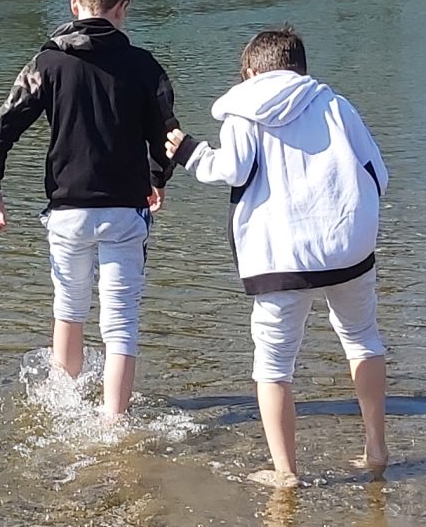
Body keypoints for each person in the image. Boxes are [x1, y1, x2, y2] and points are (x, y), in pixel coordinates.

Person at [165, 27, 390, 488]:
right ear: (301, 68)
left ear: (250, 72)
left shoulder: (243, 112)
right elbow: (377, 173)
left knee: (273, 365)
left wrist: (189, 152)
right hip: (348, 248)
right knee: (362, 339)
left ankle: (286, 472)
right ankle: (375, 448)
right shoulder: (336, 105)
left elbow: (232, 168)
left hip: (279, 258)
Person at [0, 0, 179, 419]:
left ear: (74, 4)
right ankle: (114, 420)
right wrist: (157, 179)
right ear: (123, 8)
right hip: (126, 210)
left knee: (68, 310)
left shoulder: (47, 63)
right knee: (120, 321)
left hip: (67, 211)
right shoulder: (145, 67)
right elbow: (167, 135)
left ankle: (63, 409)